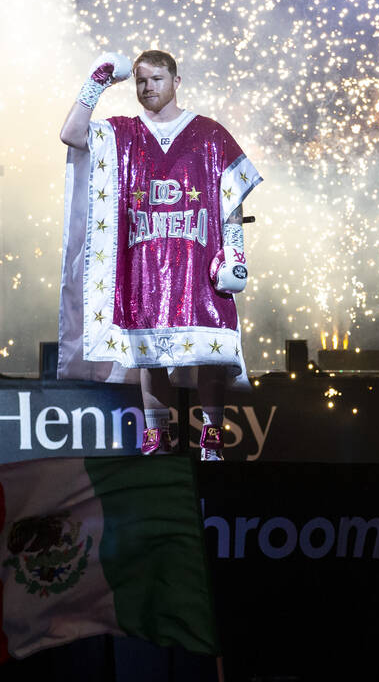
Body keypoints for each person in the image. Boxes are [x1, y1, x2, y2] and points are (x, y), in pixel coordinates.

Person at [58, 49, 262, 460]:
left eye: (156, 79)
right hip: (145, 264)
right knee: (148, 352)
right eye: (140, 81)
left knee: (210, 348)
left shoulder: (208, 133)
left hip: (198, 260)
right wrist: (95, 83)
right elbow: (72, 134)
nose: (147, 88)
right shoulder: (124, 133)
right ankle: (157, 437)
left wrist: (235, 249)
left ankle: (211, 434)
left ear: (176, 81)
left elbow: (234, 194)